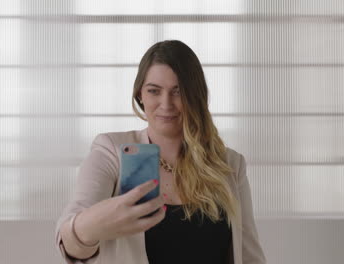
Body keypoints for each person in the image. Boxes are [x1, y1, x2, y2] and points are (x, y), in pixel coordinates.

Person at [55, 40, 266, 264]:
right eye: (154, 91)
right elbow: (70, 242)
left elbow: (249, 255)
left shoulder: (230, 164)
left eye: (178, 92)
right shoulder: (112, 152)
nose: (166, 104)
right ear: (140, 95)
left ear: (195, 96)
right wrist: (91, 226)